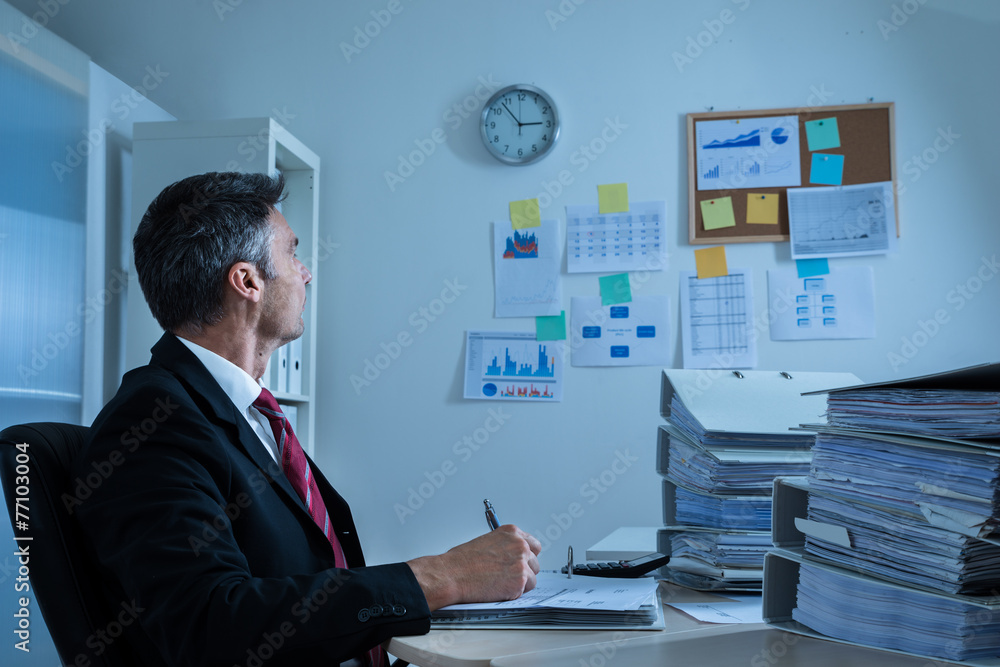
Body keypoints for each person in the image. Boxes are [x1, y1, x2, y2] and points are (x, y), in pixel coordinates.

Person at [73, 171, 541, 667]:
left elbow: (295, 577)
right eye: (292, 254)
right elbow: (209, 623)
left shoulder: (245, 413)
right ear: (247, 281)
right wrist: (443, 576)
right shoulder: (152, 424)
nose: (306, 273)